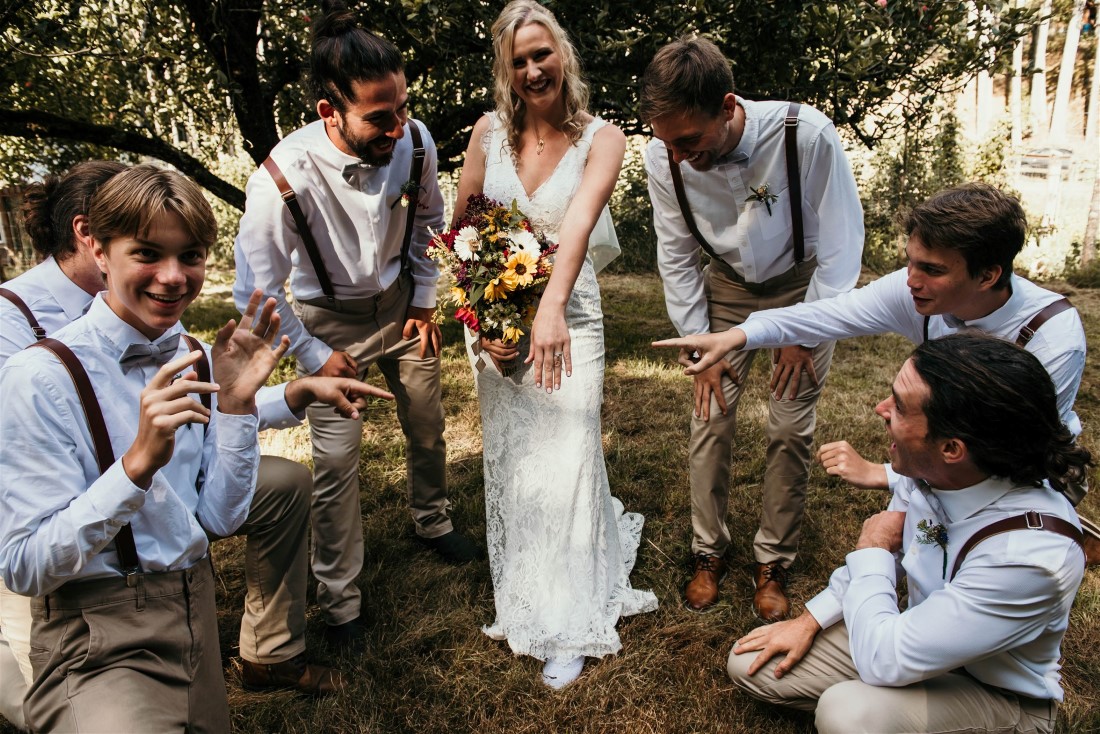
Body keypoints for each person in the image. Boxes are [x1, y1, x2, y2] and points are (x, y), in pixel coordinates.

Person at [0, 163, 394, 718]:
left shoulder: (187, 351)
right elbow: (23, 566)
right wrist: (134, 467)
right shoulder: (36, 375)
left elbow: (220, 519)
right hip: (96, 631)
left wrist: (234, 406)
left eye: (190, 256)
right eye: (146, 254)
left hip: (193, 608)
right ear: (98, 248)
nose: (173, 277)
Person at [652, 183, 1099, 562]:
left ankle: (1055, 525)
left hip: (1020, 472)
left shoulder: (1052, 336)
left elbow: (990, 454)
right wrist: (735, 337)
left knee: (957, 555)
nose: (911, 280)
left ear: (988, 275)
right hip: (943, 458)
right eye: (910, 261)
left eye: (931, 270)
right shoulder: (917, 295)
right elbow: (824, 315)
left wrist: (886, 475)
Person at [233, 0, 475, 648]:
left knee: (427, 423)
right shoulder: (281, 178)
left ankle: (432, 519)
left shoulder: (415, 142)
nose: (399, 126)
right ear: (329, 112)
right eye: (380, 116)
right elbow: (253, 291)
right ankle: (341, 603)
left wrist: (424, 299)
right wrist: (312, 356)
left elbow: (427, 225)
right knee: (336, 466)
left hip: (402, 309)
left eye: (402, 108)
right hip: (328, 324)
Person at [725, 334, 1089, 733]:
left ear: (952, 448)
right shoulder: (933, 472)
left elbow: (886, 657)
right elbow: (883, 579)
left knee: (846, 712)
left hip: (996, 691)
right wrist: (809, 620)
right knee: (750, 664)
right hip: (920, 640)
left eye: (898, 406)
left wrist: (873, 548)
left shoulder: (1028, 558)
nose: (881, 409)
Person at [451, 0, 656, 689]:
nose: (534, 69)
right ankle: (527, 590)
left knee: (567, 452)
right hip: (499, 316)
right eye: (520, 61)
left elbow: (575, 230)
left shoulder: (605, 138)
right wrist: (485, 329)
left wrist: (551, 310)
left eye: (543, 54)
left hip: (574, 315)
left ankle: (570, 621)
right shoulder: (486, 134)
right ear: (506, 73)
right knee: (515, 456)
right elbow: (464, 237)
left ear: (562, 55)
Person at [638, 37, 864, 619]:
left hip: (803, 287)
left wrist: (802, 330)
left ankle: (773, 560)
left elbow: (841, 248)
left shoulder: (806, 135)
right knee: (709, 414)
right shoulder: (663, 155)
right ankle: (707, 551)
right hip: (726, 290)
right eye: (669, 143)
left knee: (790, 426)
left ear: (728, 104)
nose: (680, 156)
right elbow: (677, 252)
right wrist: (697, 343)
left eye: (689, 139)